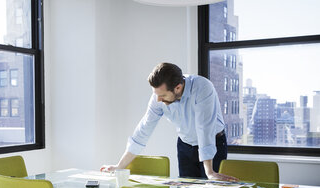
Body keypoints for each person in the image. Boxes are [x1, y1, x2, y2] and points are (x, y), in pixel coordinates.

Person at [101, 62, 237, 181]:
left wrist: (209, 172)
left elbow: (204, 128)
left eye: (163, 95)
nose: (159, 99)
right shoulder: (158, 96)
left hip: (213, 143)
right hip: (185, 145)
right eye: (156, 94)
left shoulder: (202, 87)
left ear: (178, 87)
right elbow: (143, 130)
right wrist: (119, 167)